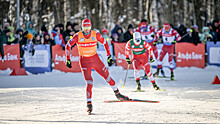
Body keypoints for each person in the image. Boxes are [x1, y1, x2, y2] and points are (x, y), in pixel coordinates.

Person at [65, 18, 129, 114]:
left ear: (91, 27)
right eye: (85, 27)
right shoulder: (78, 36)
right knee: (89, 82)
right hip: (84, 61)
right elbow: (68, 46)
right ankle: (89, 104)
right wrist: (68, 59)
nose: (87, 30)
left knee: (107, 77)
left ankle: (118, 94)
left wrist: (109, 57)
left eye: (88, 27)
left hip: (95, 59)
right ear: (82, 27)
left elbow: (105, 43)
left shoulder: (95, 34)